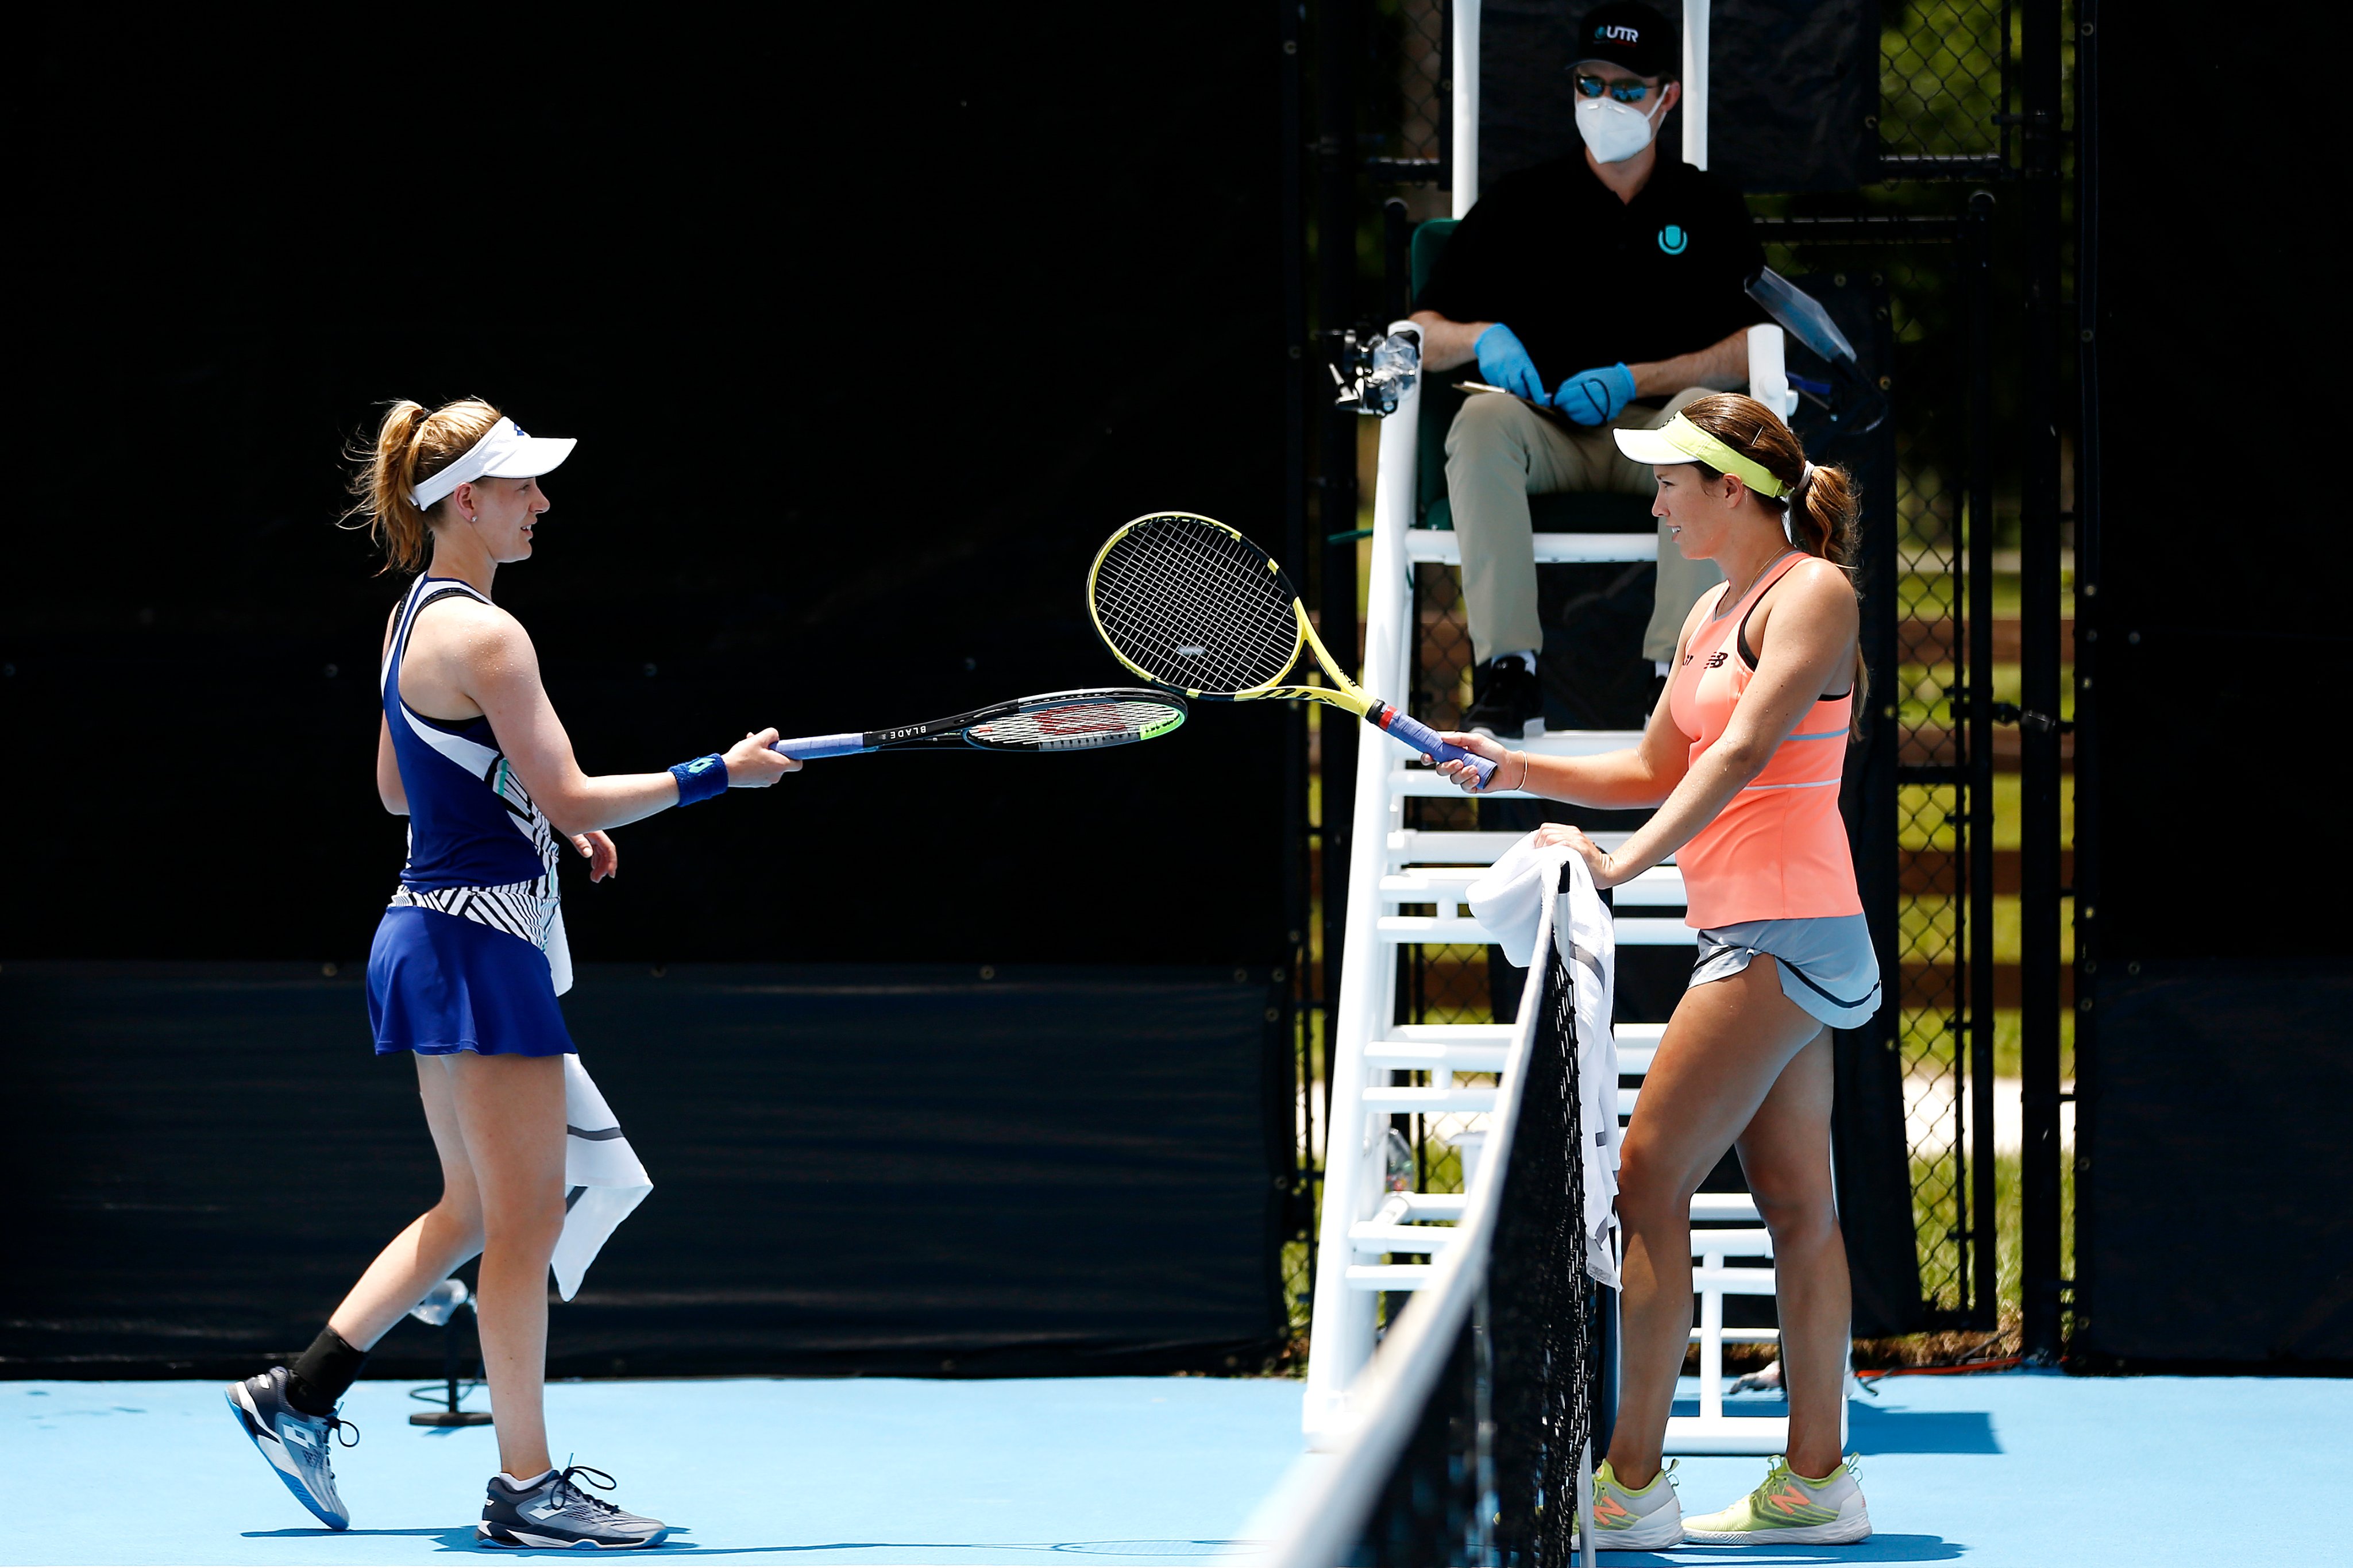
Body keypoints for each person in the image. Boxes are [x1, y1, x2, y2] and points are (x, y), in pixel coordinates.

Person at [223, 399, 798, 1550]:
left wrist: (529, 816)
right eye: (522, 485)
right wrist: (715, 775)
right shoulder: (490, 634)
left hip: (429, 935)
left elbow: (401, 787)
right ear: (464, 502)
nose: (541, 502)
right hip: (474, 947)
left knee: (477, 1210)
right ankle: (525, 1488)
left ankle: (300, 1394)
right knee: (524, 1218)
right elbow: (575, 790)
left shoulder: (412, 621)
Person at [1435, 393, 1879, 1548]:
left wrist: (1625, 866)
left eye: (1672, 480)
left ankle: (1629, 1490)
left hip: (1783, 928)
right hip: (1754, 928)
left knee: (1644, 1180)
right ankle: (1815, 1483)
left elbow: (1740, 753)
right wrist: (1509, 763)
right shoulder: (1704, 616)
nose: (1654, 500)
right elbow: (1648, 763)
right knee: (1794, 1204)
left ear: (1733, 488)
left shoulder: (1812, 596)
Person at [1409, 0, 1768, 740]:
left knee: (1708, 417)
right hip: (1547, 436)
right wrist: (1485, 337)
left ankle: (1679, 678)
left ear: (1667, 98)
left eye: (1627, 88)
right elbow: (1420, 333)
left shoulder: (1708, 205)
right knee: (1480, 422)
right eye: (1589, 85)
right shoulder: (1520, 202)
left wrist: (1639, 379)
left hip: (1660, 443)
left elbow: (1756, 345)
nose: (1605, 103)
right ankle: (1508, 669)